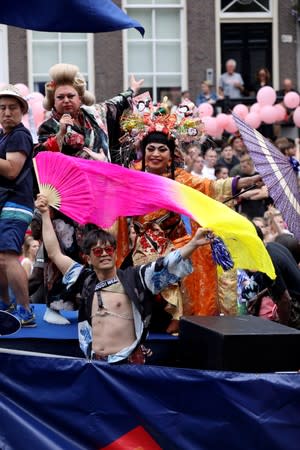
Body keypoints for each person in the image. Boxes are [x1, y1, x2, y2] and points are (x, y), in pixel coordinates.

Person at [119, 111, 264, 327]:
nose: (155, 154)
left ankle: (187, 318)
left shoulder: (180, 179)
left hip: (175, 244)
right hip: (143, 246)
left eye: (162, 149)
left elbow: (212, 187)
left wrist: (250, 180)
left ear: (171, 155)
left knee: (201, 249)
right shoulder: (131, 176)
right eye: (151, 149)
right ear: (143, 152)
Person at [35, 193, 214, 364]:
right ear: (88, 258)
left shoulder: (135, 278)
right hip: (94, 361)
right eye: (98, 251)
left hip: (127, 363)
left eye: (108, 250)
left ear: (114, 254)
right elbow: (54, 253)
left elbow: (166, 264)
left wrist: (193, 244)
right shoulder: (84, 279)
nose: (104, 254)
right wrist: (44, 214)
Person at [34, 63, 144, 325]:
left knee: (93, 248)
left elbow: (115, 104)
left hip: (95, 196)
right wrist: (60, 133)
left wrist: (132, 90)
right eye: (60, 97)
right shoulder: (48, 126)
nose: (66, 101)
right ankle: (55, 305)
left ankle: (91, 302)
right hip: (63, 199)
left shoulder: (95, 115)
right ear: (53, 100)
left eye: (70, 96)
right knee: (62, 250)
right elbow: (41, 155)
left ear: (80, 97)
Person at [0, 85, 36, 326]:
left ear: (22, 111)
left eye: (12, 107)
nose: (6, 112)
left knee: (7, 256)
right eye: (2, 108)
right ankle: (6, 305)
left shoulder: (20, 135)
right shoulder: (5, 136)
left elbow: (12, 170)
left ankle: (25, 311)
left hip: (16, 202)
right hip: (7, 202)